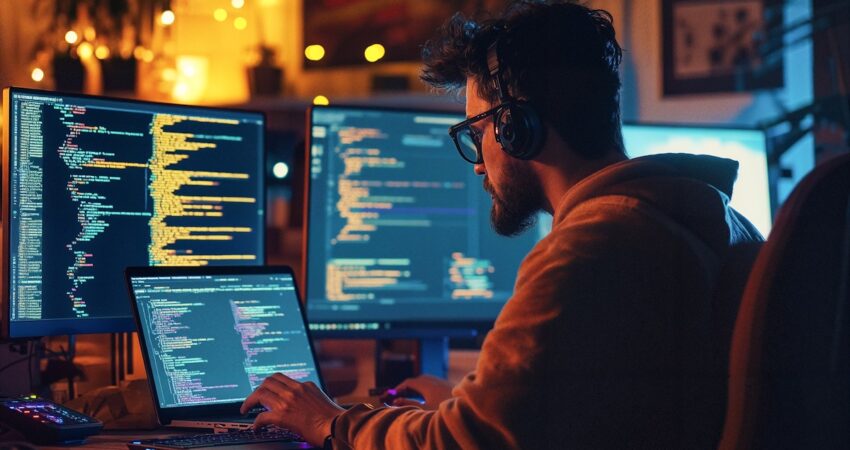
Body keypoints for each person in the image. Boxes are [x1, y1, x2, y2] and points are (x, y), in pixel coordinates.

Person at [240, 1, 764, 448]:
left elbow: (462, 443)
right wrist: (460, 402)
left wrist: (332, 421)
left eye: (475, 131)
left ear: (514, 127)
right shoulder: (710, 219)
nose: (475, 162)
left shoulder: (593, 247)